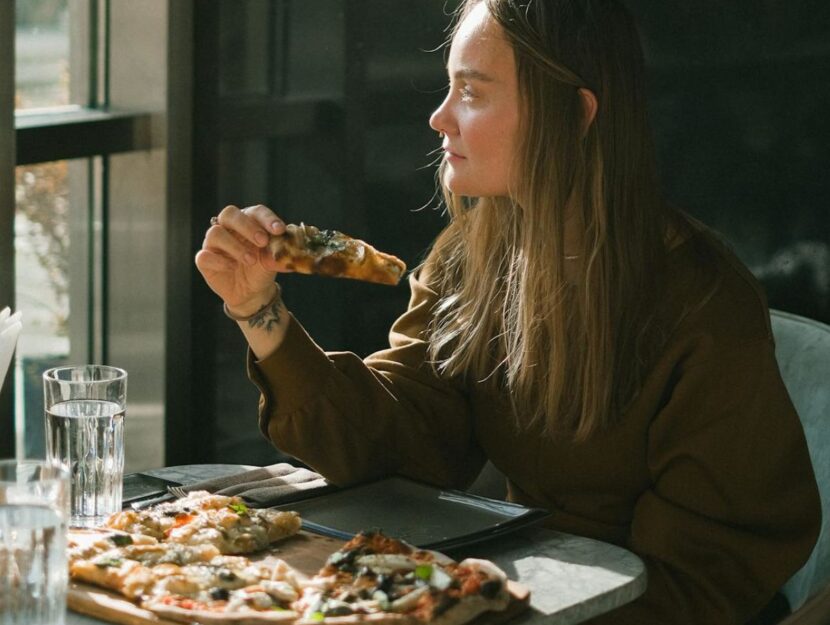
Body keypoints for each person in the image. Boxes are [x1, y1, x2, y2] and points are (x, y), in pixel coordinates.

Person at [195, 1, 821, 622]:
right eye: (449, 89)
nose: (440, 118)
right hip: (526, 595)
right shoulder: (471, 259)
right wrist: (258, 309)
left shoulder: (702, 303)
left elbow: (705, 575)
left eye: (472, 93)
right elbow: (399, 443)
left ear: (574, 114)